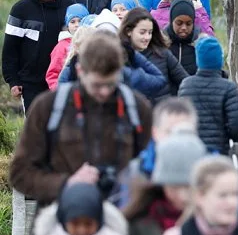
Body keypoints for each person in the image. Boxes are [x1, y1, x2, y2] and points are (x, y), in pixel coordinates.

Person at [10, 31, 153, 204]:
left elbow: (153, 169)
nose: (105, 92)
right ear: (79, 70)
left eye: (111, 83)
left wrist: (130, 185)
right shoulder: (48, 107)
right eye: (97, 85)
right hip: (61, 215)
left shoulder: (137, 109)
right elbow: (19, 174)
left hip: (121, 216)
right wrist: (66, 184)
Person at [124, 128, 207, 235]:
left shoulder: (216, 219)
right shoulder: (140, 223)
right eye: (174, 187)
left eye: (188, 187)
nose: (183, 196)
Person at [2, 0, 74, 112]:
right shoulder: (21, 10)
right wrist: (13, 81)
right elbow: (10, 50)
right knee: (36, 130)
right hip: (31, 83)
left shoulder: (70, 6)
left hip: (62, 80)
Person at [179, 37, 238, 154]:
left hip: (191, 152)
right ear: (219, 59)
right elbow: (237, 127)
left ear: (198, 59)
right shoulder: (228, 87)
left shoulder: (186, 85)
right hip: (219, 153)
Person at [119, 7, 188, 104]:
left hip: (163, 115)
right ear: (128, 31)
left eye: (150, 32)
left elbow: (186, 83)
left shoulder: (163, 54)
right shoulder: (118, 58)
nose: (147, 37)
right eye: (142, 32)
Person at [46, 3, 89, 90]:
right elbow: (53, 74)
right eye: (72, 22)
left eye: (80, 21)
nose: (77, 25)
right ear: (67, 25)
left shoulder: (91, 43)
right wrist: (58, 91)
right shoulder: (61, 47)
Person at [166, 0, 212, 75]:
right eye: (179, 23)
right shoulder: (162, 44)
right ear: (171, 21)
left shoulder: (200, 45)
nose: (184, 28)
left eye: (188, 24)